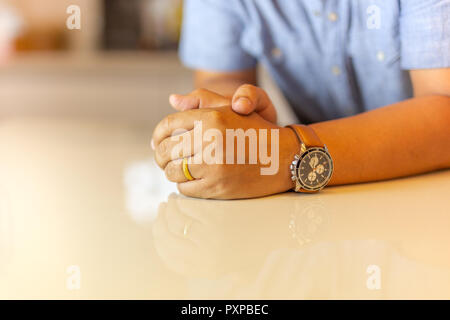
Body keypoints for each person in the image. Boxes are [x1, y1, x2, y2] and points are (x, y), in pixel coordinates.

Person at [152, 0, 450, 199]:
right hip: (321, 206)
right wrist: (235, 116)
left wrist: (285, 154)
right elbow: (218, 80)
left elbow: (445, 116)